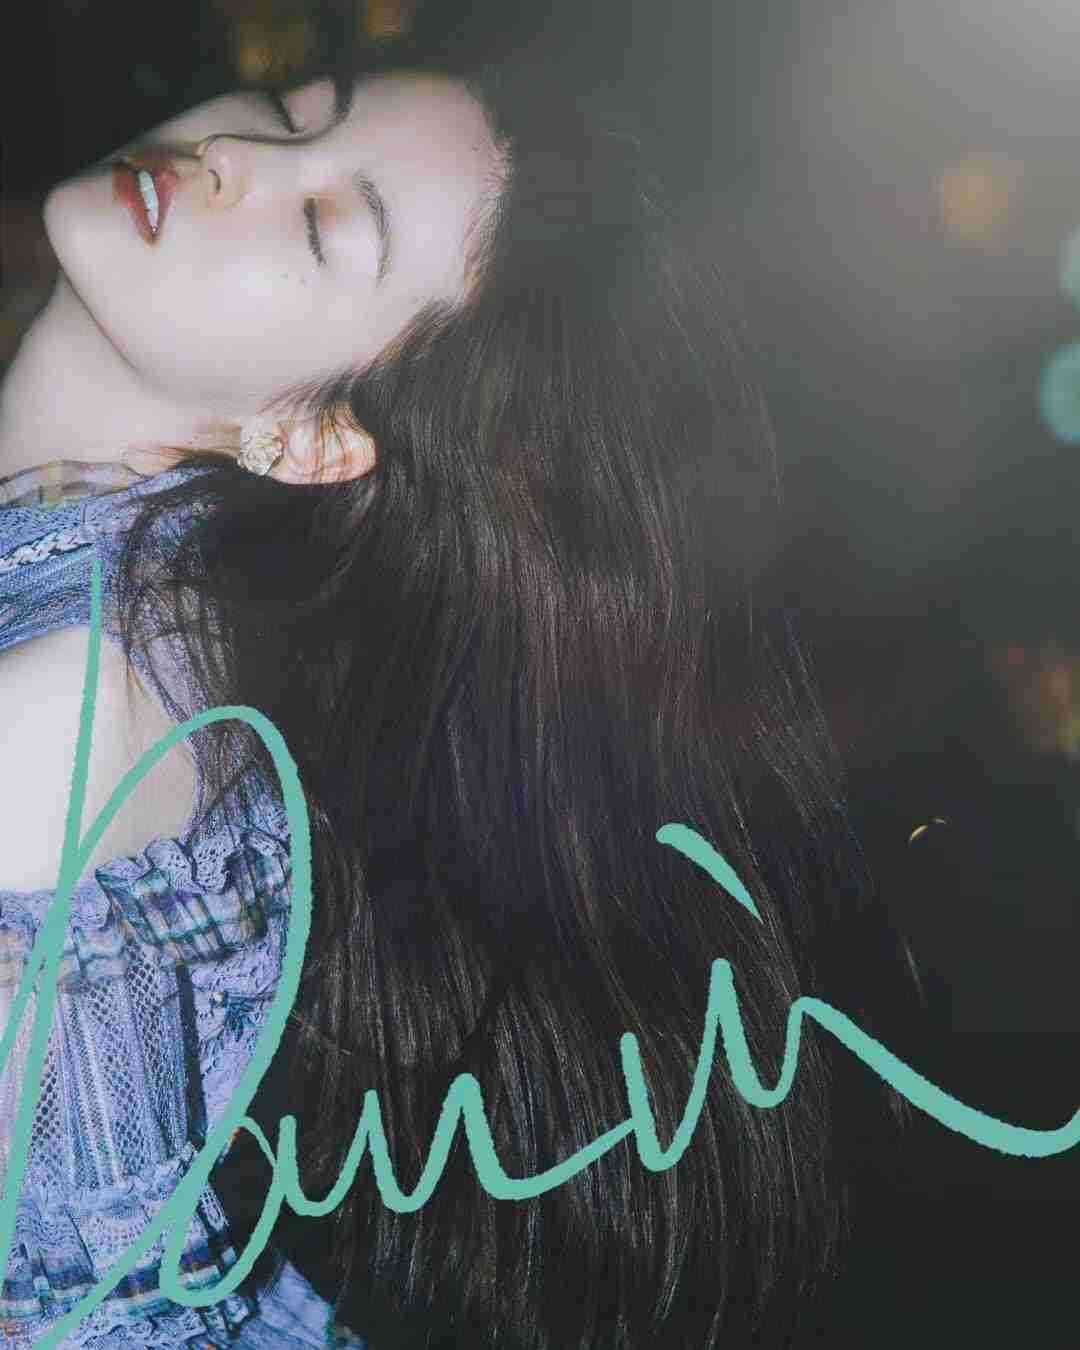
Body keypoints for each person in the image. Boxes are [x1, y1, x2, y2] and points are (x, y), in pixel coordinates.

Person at [0, 40, 917, 1350]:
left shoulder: (77, 718)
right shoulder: (115, 592)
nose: (233, 155)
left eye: (322, 228)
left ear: (314, 438)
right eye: (294, 111)